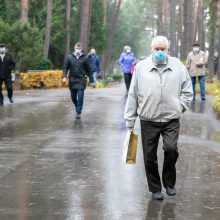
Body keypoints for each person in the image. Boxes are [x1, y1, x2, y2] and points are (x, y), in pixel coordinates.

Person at [124, 36, 193, 200]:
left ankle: (169, 183)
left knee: (171, 149)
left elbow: (188, 91)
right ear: (152, 49)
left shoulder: (178, 66)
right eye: (157, 49)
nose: (160, 52)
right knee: (149, 156)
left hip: (171, 119)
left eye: (163, 49)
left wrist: (179, 106)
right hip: (148, 119)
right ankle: (155, 188)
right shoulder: (141, 67)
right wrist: (130, 120)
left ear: (167, 49)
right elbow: (133, 94)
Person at [62, 42, 94, 119]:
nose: (78, 50)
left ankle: (78, 112)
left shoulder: (85, 58)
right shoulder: (69, 57)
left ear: (81, 49)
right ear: (74, 48)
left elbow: (89, 70)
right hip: (72, 80)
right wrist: (64, 77)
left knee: (80, 96)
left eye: (79, 49)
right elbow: (65, 67)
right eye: (77, 48)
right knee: (73, 97)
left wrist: (92, 81)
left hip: (81, 79)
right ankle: (77, 106)